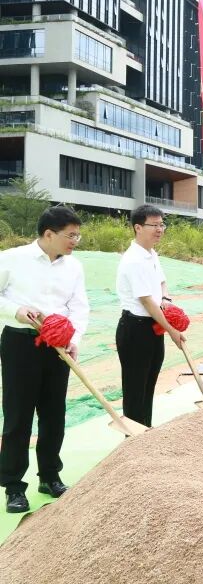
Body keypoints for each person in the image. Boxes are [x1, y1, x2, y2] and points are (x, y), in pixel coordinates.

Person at [0, 206, 89, 514]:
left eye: (78, 235)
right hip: (20, 343)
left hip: (58, 346)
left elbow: (79, 306)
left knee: (54, 414)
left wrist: (74, 339)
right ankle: (13, 486)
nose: (75, 240)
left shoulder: (74, 266)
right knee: (18, 415)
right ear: (49, 234)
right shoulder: (12, 259)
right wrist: (16, 311)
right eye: (70, 235)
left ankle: (49, 476)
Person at [115, 205, 185, 427]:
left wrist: (167, 299)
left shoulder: (151, 253)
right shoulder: (133, 259)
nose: (159, 229)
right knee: (136, 388)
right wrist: (173, 331)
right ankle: (133, 438)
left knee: (149, 384)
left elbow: (161, 283)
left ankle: (145, 430)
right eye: (153, 225)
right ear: (138, 227)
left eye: (162, 224)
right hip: (136, 329)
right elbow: (146, 301)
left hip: (153, 327)